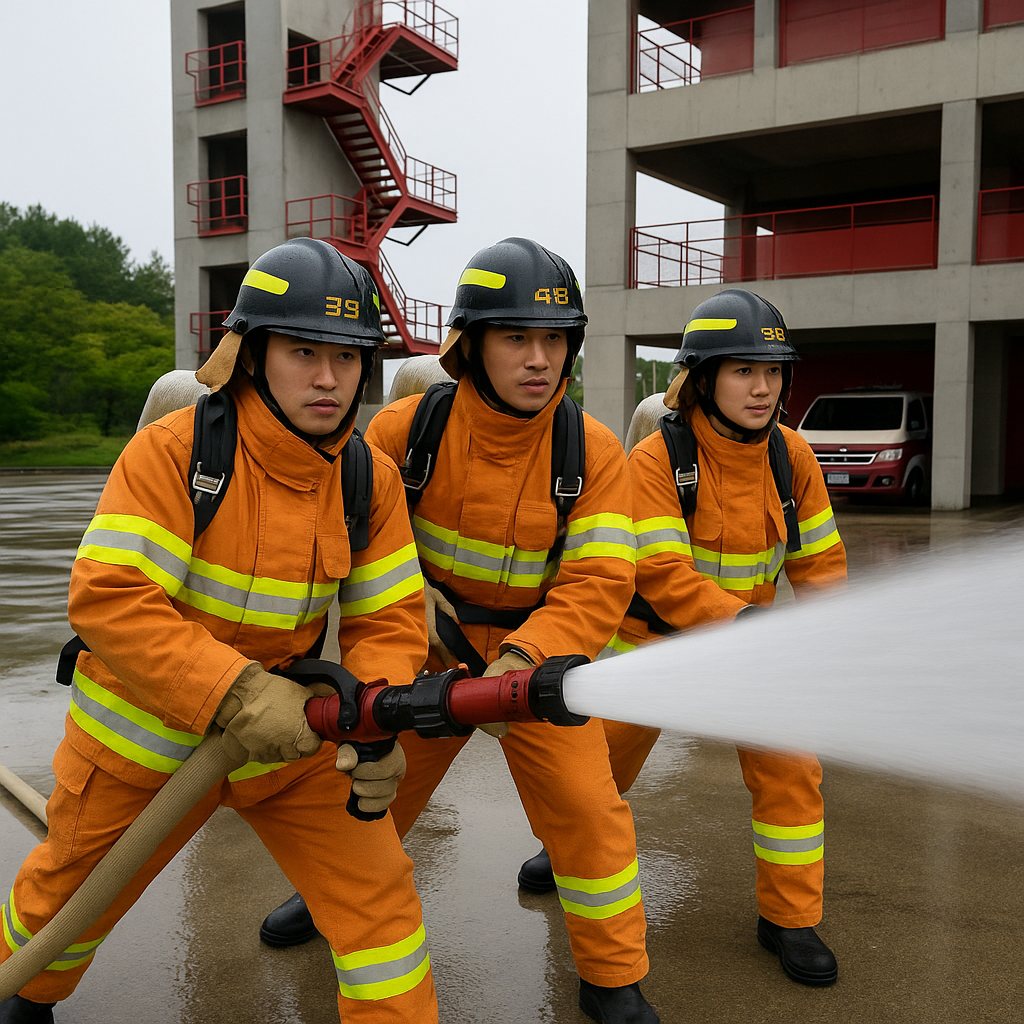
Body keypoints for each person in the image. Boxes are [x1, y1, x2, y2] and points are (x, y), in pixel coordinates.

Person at [0, 239, 438, 1023]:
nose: (331, 379)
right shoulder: (174, 454)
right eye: (305, 351)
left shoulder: (366, 478)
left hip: (291, 745)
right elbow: (111, 598)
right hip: (143, 744)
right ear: (248, 352)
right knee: (61, 914)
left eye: (349, 356)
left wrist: (372, 721)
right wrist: (235, 692)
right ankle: (23, 1002)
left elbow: (390, 617)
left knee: (383, 914)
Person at [260, 237, 659, 1024]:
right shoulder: (406, 431)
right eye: (517, 337)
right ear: (468, 344)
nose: (539, 359)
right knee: (370, 791)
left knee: (589, 813)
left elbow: (598, 582)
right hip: (429, 653)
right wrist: (411, 620)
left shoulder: (595, 450)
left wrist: (520, 663)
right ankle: (325, 897)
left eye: (554, 339)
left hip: (540, 669)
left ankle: (612, 977)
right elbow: (352, 545)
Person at [518, 288, 847, 987]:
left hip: (748, 650)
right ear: (701, 378)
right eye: (742, 371)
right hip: (650, 645)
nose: (763, 388)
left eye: (774, 371)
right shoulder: (655, 459)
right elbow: (662, 572)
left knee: (792, 769)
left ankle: (789, 919)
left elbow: (820, 562)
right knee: (593, 774)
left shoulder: (793, 457)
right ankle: (562, 848)